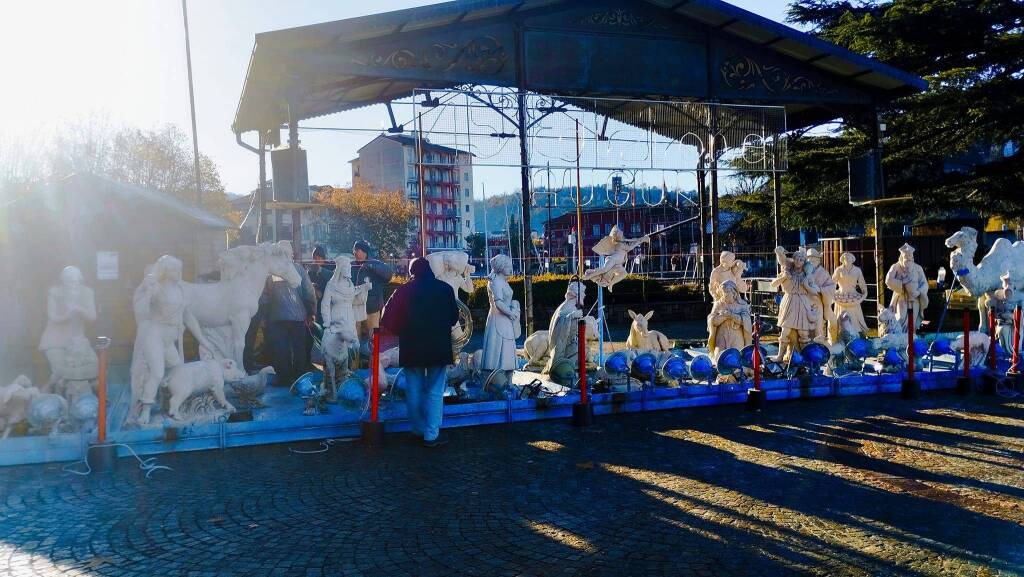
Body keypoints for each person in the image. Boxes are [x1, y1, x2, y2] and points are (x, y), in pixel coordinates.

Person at [380, 258, 459, 447]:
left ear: (411, 271)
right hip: (438, 347)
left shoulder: (403, 291)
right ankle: (431, 434)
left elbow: (387, 318)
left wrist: (402, 331)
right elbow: (454, 317)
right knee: (435, 391)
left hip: (411, 347)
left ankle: (417, 429)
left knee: (413, 389)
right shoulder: (444, 289)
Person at [261, 259, 316, 388]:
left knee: (280, 348)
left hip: (277, 316)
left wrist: (264, 315)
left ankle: (284, 379)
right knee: (299, 348)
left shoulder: (271, 271)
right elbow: (309, 291)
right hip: (298, 317)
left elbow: (264, 296)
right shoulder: (299, 269)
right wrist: (311, 311)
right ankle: (300, 377)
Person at [352, 240, 393, 342]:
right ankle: (357, 357)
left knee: (372, 340)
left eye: (357, 250)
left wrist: (369, 265)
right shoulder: (352, 265)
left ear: (364, 252)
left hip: (372, 309)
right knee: (355, 339)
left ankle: (371, 358)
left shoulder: (375, 263)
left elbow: (388, 275)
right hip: (355, 309)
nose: (354, 252)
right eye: (354, 250)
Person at [307, 245, 334, 325]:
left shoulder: (331, 266)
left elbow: (333, 277)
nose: (315, 260)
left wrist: (320, 270)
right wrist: (313, 288)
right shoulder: (311, 271)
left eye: (317, 257)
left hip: (330, 302)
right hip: (317, 303)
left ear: (321, 257)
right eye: (314, 258)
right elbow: (308, 284)